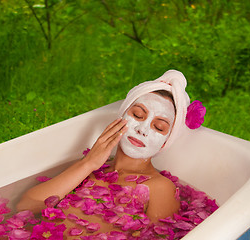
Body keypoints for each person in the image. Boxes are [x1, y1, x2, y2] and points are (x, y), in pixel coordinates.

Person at [17, 70, 193, 238]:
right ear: (121, 115)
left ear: (165, 142)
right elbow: (25, 206)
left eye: (159, 127)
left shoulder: (160, 187)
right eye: (138, 115)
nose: (142, 129)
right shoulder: (91, 165)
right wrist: (88, 164)